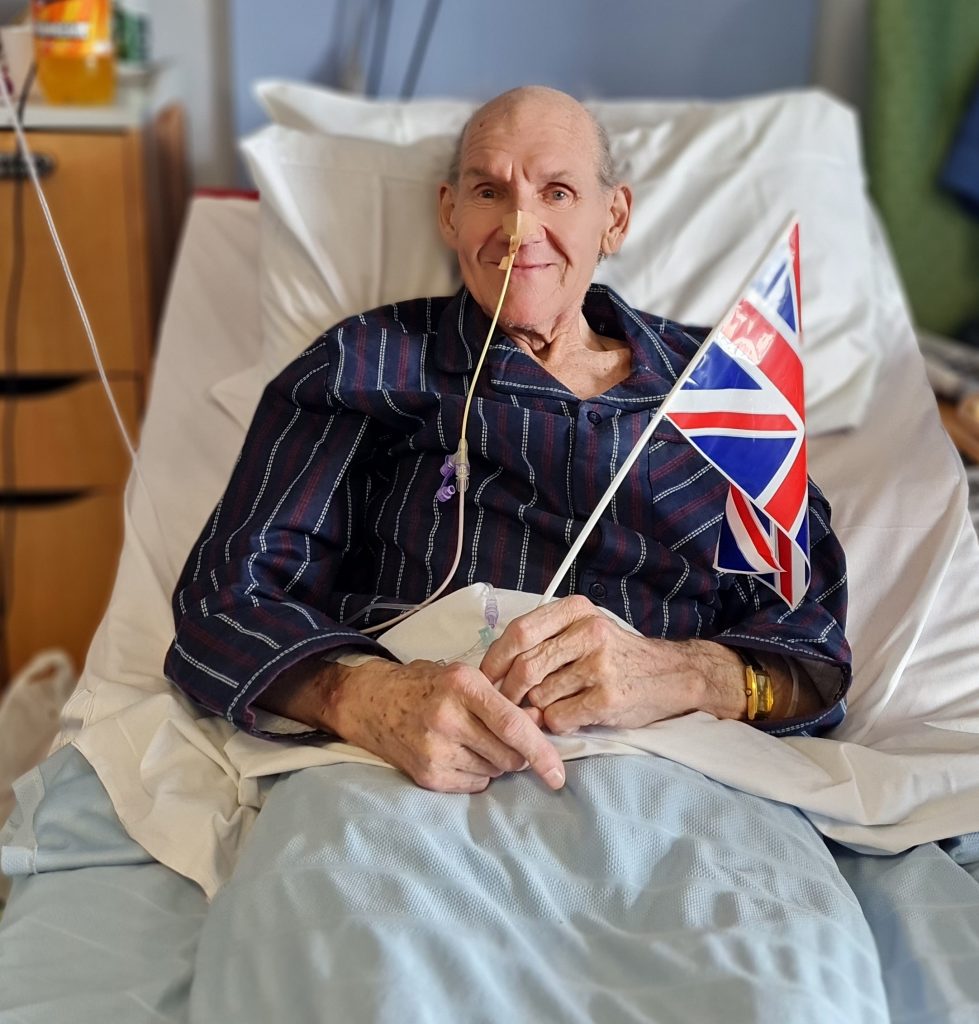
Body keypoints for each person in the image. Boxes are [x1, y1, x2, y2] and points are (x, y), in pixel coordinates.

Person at [164, 85, 851, 796]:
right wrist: (363, 700)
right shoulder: (369, 362)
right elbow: (224, 603)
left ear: (613, 219)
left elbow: (811, 652)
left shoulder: (717, 388)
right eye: (490, 191)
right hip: (402, 777)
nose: (520, 225)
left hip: (669, 775)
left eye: (556, 192)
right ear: (449, 213)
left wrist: (681, 673)